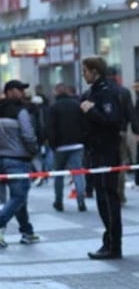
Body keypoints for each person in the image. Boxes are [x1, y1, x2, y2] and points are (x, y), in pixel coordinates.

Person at [81, 56, 124, 259]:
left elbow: (112, 121)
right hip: (96, 151)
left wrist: (92, 112)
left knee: (108, 197)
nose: (83, 75)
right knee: (101, 197)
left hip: (107, 151)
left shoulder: (106, 92)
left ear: (94, 71)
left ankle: (113, 245)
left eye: (85, 71)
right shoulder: (94, 91)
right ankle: (109, 242)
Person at [0, 80, 40, 248]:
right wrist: (33, 151)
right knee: (19, 197)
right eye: (19, 90)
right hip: (17, 160)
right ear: (9, 92)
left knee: (16, 199)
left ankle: (27, 231)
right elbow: (28, 134)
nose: (22, 93)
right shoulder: (20, 111)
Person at [48, 83, 87, 212]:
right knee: (78, 172)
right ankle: (81, 199)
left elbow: (51, 128)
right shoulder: (76, 104)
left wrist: (53, 145)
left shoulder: (54, 107)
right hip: (77, 144)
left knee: (58, 174)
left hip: (60, 146)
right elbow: (84, 123)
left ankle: (58, 201)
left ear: (56, 92)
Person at [105, 66, 139, 204]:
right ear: (116, 76)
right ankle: (119, 194)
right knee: (119, 164)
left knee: (105, 164)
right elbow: (131, 113)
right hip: (120, 132)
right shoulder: (124, 92)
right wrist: (137, 131)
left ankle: (108, 193)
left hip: (103, 134)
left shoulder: (96, 92)